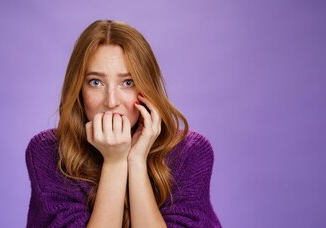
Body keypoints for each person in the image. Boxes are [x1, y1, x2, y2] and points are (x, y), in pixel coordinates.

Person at [25, 19, 221, 228]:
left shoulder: (190, 152)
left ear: (146, 88)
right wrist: (115, 162)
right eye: (96, 82)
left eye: (128, 83)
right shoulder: (48, 152)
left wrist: (136, 160)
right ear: (79, 90)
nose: (111, 102)